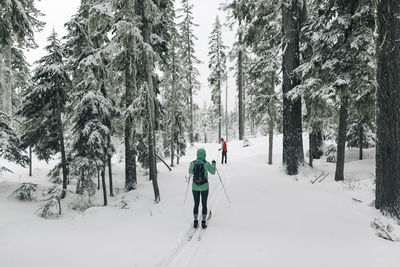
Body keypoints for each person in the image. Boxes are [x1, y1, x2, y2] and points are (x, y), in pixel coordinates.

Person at [188, 148, 216, 229]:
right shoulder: (206, 164)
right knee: (204, 204)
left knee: (196, 204)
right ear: (204, 154)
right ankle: (203, 222)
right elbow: (213, 172)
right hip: (204, 187)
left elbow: (190, 172)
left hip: (195, 187)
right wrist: (213, 164)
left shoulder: (193, 163)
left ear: (197, 154)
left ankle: (195, 222)